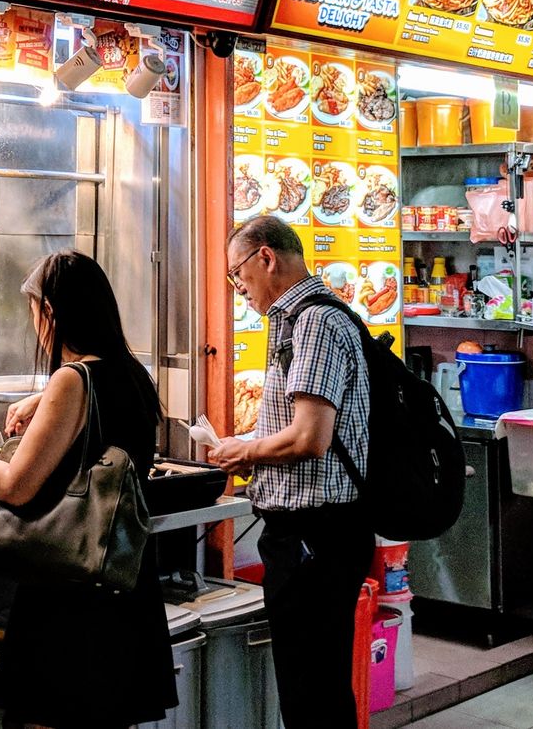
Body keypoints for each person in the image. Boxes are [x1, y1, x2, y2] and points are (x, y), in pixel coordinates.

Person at [0, 250, 175, 729]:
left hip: (71, 596)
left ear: (52, 313)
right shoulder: (133, 372)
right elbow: (97, 397)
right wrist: (41, 398)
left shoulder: (71, 380)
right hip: (124, 585)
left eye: (34, 313)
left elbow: (15, 487)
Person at [209, 215, 372, 729]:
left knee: (312, 693)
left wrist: (246, 451)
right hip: (314, 534)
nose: (238, 288)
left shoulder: (315, 322)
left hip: (317, 536)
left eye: (237, 274)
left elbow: (309, 437)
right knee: (313, 687)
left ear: (266, 258)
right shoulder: (299, 320)